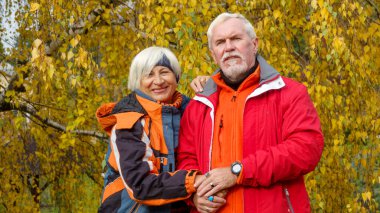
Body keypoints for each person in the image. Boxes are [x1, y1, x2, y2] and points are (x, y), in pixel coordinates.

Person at [177, 13, 324, 213]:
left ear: (254, 44)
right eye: (220, 42)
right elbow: (186, 159)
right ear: (214, 54)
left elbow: (306, 149)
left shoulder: (289, 93)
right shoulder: (199, 105)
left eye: (236, 39)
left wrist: (238, 171)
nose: (228, 47)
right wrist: (194, 194)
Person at [96, 46, 226, 212]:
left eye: (164, 72)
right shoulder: (128, 122)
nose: (158, 81)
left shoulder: (192, 112)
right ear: (137, 81)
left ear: (176, 76)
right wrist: (195, 182)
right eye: (149, 74)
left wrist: (213, 88)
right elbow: (140, 185)